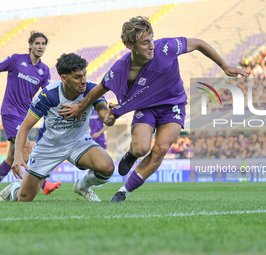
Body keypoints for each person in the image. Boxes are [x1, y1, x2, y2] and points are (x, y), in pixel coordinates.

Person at [59, 16, 249, 203]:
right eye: (144, 43)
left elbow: (199, 44)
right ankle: (133, 154)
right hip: (146, 107)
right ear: (129, 45)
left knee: (160, 149)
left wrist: (225, 66)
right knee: (141, 148)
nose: (151, 46)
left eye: (151, 40)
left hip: (173, 105)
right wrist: (80, 107)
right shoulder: (120, 69)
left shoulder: (166, 47)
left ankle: (123, 192)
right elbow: (98, 90)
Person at [0, 53, 115, 202]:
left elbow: (105, 117)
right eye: (78, 77)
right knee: (24, 198)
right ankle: (15, 187)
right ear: (64, 78)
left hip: (78, 142)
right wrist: (17, 157)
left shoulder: (92, 89)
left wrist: (111, 116)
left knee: (107, 167)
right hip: (49, 146)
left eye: (84, 75)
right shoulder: (49, 94)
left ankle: (82, 186)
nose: (84, 81)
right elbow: (25, 127)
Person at [0, 31, 61, 195]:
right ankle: (44, 184)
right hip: (10, 111)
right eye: (37, 43)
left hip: (25, 114)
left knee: (12, 156)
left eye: (43, 44)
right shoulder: (16, 60)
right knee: (26, 146)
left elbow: (46, 93)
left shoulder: (44, 70)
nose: (40, 46)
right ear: (30, 45)